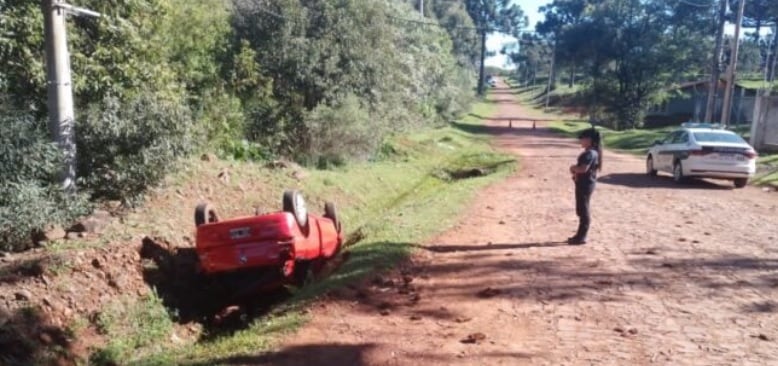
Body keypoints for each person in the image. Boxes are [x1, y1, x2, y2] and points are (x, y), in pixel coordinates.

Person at [567, 128, 602, 245]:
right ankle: (580, 235)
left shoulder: (589, 153)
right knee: (581, 209)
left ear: (589, 140)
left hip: (585, 184)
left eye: (582, 138)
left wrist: (573, 168)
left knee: (583, 210)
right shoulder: (592, 152)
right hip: (585, 183)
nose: (580, 141)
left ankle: (581, 236)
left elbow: (583, 169)